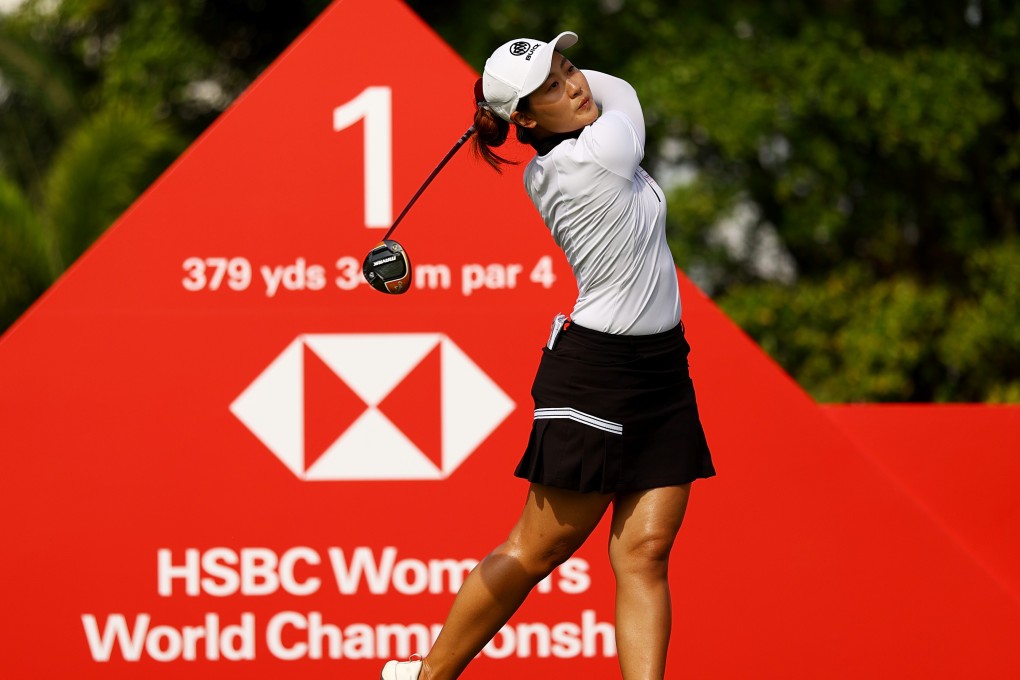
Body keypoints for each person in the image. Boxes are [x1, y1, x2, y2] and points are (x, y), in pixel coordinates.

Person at [381, 30, 715, 680]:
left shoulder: (552, 158)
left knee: (645, 552)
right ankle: (428, 678)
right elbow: (626, 91)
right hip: (597, 376)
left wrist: (499, 108)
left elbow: (601, 93)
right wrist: (500, 108)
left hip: (662, 372)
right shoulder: (597, 154)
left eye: (569, 67)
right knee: (536, 552)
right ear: (527, 118)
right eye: (556, 86)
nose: (579, 84)